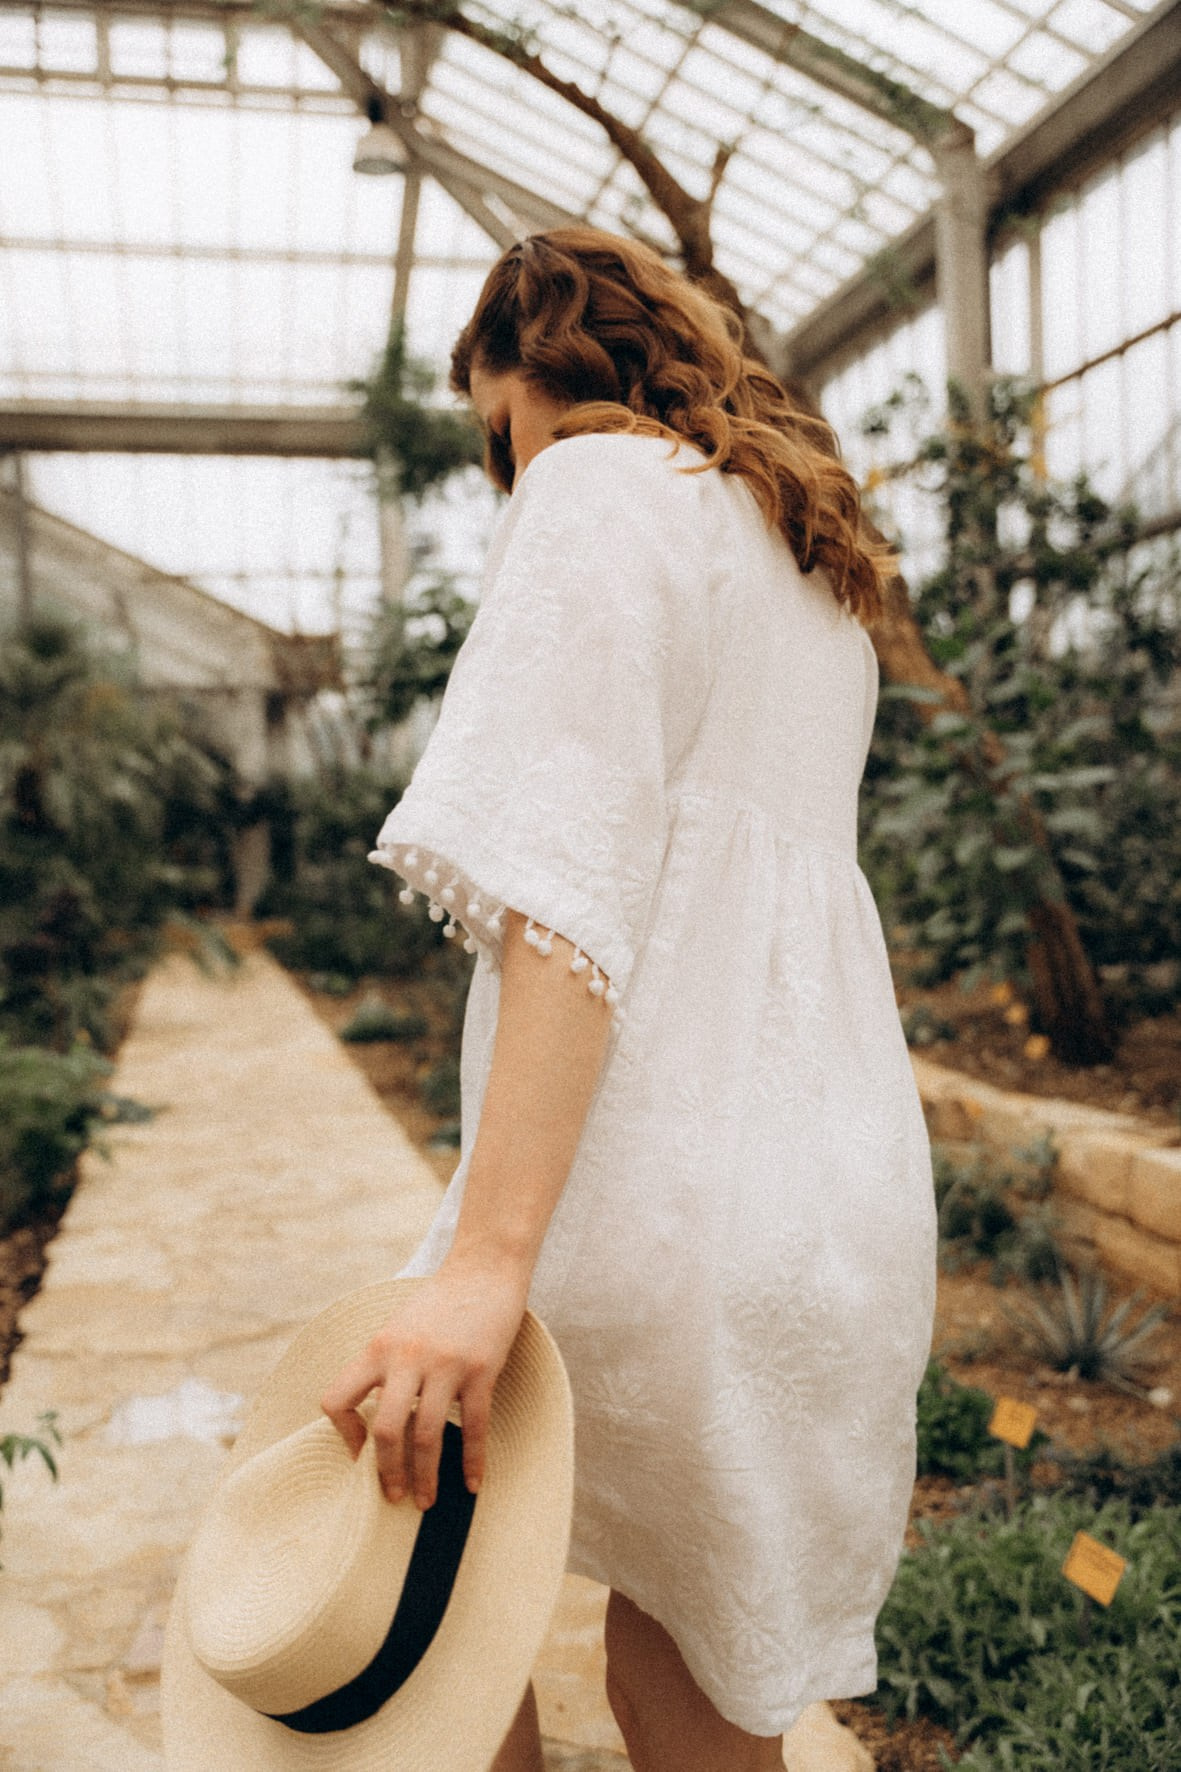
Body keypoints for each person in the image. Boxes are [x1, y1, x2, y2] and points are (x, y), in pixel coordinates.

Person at [321, 227, 937, 1772]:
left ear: (539, 374)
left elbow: (568, 903)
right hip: (823, 1197)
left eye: (493, 428)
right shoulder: (803, 561)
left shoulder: (595, 487)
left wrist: (487, 1260)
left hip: (647, 1196)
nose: (502, 470)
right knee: (691, 1658)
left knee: (391, 1559)